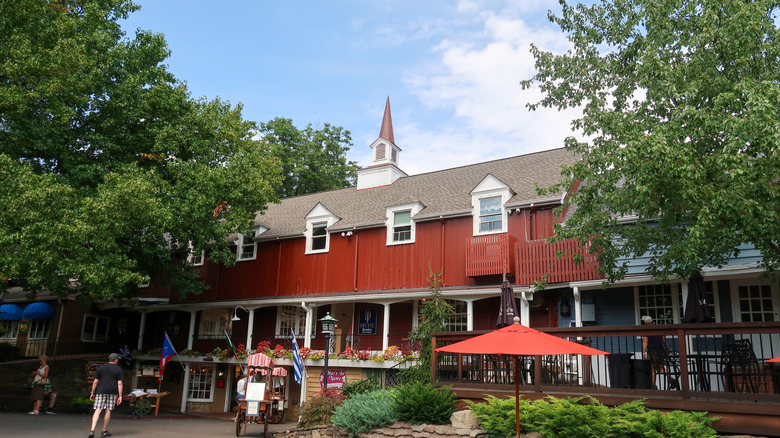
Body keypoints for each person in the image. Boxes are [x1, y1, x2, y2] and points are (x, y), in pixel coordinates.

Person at [88, 353, 124, 438]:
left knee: (97, 410)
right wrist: (120, 396)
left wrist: (92, 392)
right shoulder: (118, 369)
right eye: (117, 359)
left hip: (101, 391)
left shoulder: (101, 368)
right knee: (108, 411)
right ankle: (104, 431)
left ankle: (92, 430)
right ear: (115, 360)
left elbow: (96, 381)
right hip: (112, 392)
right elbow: (120, 383)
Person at [641, 316, 670, 388]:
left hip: (652, 351)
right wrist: (667, 348)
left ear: (645, 323)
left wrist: (643, 351)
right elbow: (664, 340)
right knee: (660, 367)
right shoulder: (658, 328)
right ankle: (670, 379)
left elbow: (645, 341)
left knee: (652, 369)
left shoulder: (647, 330)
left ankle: (653, 386)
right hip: (660, 350)